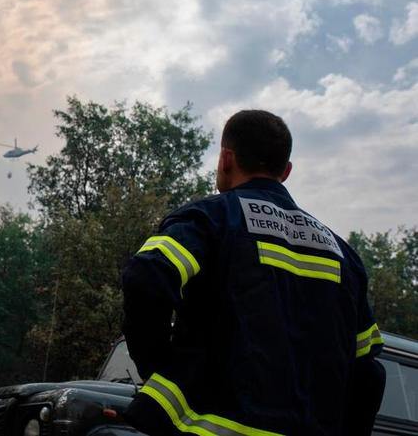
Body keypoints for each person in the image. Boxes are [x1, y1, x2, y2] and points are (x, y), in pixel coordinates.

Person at [122, 110, 385, 436]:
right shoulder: (344, 256)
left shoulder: (211, 219)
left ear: (226, 159)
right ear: (285, 171)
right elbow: (369, 372)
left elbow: (147, 275)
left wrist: (158, 368)